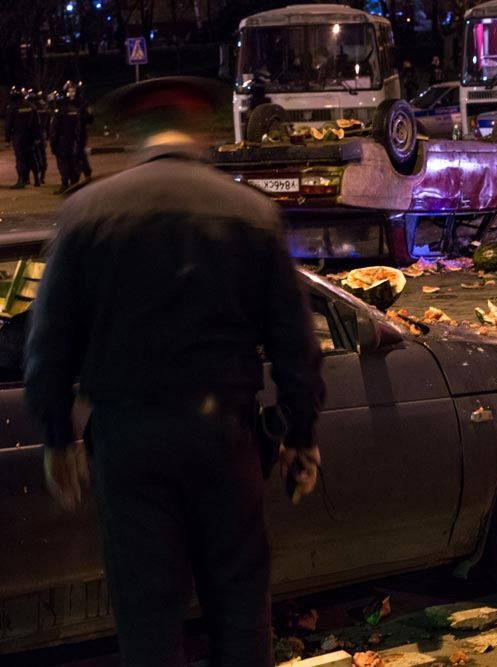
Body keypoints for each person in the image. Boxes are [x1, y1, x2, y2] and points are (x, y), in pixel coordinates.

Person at [25, 76, 325, 666]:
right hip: (225, 438)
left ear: (137, 131)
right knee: (240, 606)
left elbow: (49, 342)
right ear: (198, 131)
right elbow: (296, 343)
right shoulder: (251, 213)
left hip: (128, 442)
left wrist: (58, 437)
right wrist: (300, 436)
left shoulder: (86, 213)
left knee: (147, 614)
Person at [4, 87, 40, 189]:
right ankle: (37, 179)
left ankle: (21, 180)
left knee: (20, 159)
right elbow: (37, 124)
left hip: (18, 137)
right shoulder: (32, 106)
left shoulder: (12, 107)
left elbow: (8, 125)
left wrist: (7, 140)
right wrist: (37, 137)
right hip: (30, 137)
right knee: (32, 157)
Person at [49, 86, 81, 194]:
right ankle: (74, 183)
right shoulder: (74, 110)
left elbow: (54, 130)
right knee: (73, 162)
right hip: (72, 142)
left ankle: (65, 184)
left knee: (63, 164)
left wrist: (53, 144)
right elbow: (78, 128)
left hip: (61, 142)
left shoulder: (59, 113)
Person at [75, 81, 94, 180]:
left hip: (79, 131)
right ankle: (83, 173)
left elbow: (90, 118)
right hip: (78, 132)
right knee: (79, 153)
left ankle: (81, 173)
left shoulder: (80, 103)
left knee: (78, 153)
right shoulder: (82, 103)